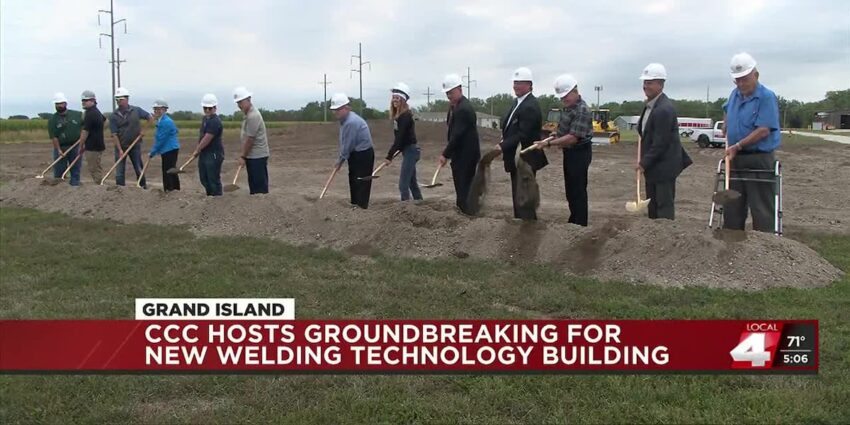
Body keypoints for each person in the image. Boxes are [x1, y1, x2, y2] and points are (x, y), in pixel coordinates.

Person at [722, 52, 781, 232]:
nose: (740, 84)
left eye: (744, 79)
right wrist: (726, 121)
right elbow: (726, 108)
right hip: (735, 158)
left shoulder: (766, 97)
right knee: (732, 205)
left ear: (755, 75)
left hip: (758, 159)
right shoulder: (735, 94)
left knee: (761, 207)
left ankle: (764, 249)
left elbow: (763, 129)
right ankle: (731, 244)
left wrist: (738, 145)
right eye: (737, 80)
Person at [534, 74, 593, 226]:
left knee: (578, 190)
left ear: (575, 91)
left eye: (566, 96)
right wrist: (556, 135)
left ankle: (580, 224)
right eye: (562, 97)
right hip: (570, 153)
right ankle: (574, 219)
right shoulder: (569, 108)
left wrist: (548, 144)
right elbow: (566, 131)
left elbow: (573, 138)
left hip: (579, 153)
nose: (564, 100)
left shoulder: (582, 110)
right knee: (570, 190)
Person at [636, 63, 691, 220]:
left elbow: (660, 143)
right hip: (654, 167)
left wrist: (643, 163)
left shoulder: (663, 109)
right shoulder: (649, 107)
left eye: (650, 83)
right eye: (645, 83)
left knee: (663, 208)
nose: (646, 86)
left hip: (664, 167)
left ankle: (664, 240)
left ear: (660, 84)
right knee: (653, 206)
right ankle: (653, 238)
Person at [495, 67, 548, 220]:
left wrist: (503, 146)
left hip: (525, 158)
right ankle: (520, 222)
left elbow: (523, 134)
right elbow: (512, 128)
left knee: (524, 194)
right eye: (515, 82)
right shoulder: (518, 102)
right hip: (516, 157)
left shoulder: (530, 106)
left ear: (529, 85)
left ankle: (527, 226)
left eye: (520, 83)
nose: (516, 86)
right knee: (518, 192)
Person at [438, 73, 480, 215]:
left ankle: (467, 214)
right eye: (447, 93)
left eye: (451, 92)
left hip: (466, 156)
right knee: (460, 186)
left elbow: (457, 135)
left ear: (460, 89)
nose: (449, 96)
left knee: (464, 187)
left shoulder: (464, 109)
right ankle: (463, 211)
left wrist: (445, 154)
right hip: (459, 155)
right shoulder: (454, 107)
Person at [329, 93, 375, 209]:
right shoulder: (345, 120)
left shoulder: (351, 122)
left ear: (346, 108)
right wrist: (342, 158)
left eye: (338, 109)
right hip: (355, 154)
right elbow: (344, 141)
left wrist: (340, 161)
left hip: (363, 155)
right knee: (353, 179)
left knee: (361, 181)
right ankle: (354, 205)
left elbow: (347, 146)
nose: (335, 112)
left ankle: (361, 208)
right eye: (334, 110)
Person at [384, 82, 422, 201]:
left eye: (397, 98)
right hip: (408, 150)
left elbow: (400, 138)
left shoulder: (405, 116)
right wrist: (397, 149)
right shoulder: (399, 117)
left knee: (403, 185)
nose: (394, 100)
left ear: (403, 100)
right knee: (412, 183)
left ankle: (405, 210)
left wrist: (389, 156)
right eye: (393, 98)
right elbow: (400, 140)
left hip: (411, 151)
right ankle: (420, 205)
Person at [109, 87, 152, 188]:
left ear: (127, 99)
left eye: (121, 99)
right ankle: (120, 189)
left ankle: (143, 186)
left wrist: (143, 131)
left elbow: (150, 118)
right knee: (119, 170)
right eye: (117, 99)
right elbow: (114, 134)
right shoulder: (113, 116)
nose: (119, 101)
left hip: (135, 145)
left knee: (138, 167)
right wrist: (120, 150)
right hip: (121, 146)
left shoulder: (136, 110)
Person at [234, 86, 269, 194]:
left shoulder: (253, 116)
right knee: (254, 186)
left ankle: (263, 208)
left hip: (257, 156)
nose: (239, 105)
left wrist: (243, 156)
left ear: (248, 99)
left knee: (259, 188)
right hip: (252, 156)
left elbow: (250, 139)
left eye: (241, 102)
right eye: (238, 103)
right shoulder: (248, 114)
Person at [47, 92, 83, 186]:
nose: (59, 106)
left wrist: (83, 141)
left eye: (61, 103)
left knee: (75, 169)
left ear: (65, 104)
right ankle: (59, 190)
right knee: (59, 171)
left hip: (75, 146)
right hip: (60, 148)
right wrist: (58, 150)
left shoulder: (77, 115)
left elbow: (86, 127)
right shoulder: (52, 119)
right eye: (57, 104)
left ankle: (74, 188)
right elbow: (54, 137)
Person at [194, 93, 224, 196]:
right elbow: (202, 136)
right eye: (205, 108)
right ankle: (209, 197)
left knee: (213, 179)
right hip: (204, 153)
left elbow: (207, 138)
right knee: (204, 178)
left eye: (209, 108)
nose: (207, 110)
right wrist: (199, 149)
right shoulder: (205, 119)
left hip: (214, 154)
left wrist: (197, 149)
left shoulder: (215, 121)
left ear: (215, 108)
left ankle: (217, 200)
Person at [149, 99, 181, 192]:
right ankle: (174, 189)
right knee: (170, 170)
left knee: (168, 171)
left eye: (158, 109)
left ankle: (170, 190)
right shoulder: (161, 121)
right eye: (155, 109)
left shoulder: (166, 122)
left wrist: (152, 152)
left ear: (164, 110)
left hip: (170, 149)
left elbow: (161, 139)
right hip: (167, 149)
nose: (156, 111)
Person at [77, 90, 105, 183]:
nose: (83, 102)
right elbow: (105, 121)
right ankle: (99, 184)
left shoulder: (90, 114)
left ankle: (99, 187)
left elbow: (85, 131)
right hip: (97, 144)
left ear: (93, 101)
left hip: (93, 146)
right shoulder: (96, 111)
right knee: (95, 167)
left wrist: (80, 145)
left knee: (94, 168)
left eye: (86, 100)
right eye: (82, 101)